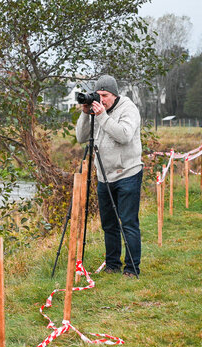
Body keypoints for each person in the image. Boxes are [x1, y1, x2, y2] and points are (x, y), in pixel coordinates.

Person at [76, 74, 143, 277]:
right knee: (109, 224)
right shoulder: (97, 110)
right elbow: (80, 137)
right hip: (104, 175)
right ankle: (112, 264)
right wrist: (86, 113)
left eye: (104, 95)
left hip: (128, 173)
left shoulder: (128, 109)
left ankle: (131, 269)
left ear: (114, 95)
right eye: (98, 95)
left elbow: (124, 135)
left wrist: (102, 116)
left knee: (128, 222)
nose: (101, 99)